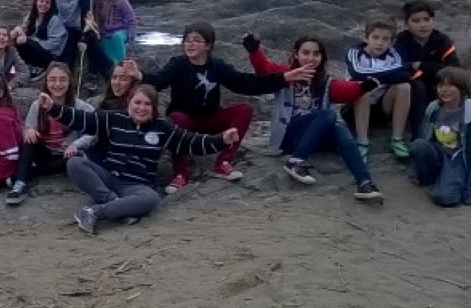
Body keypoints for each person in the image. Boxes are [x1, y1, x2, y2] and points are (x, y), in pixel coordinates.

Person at [40, 85, 238, 235]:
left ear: (153, 107)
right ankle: (116, 204)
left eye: (147, 104)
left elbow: (191, 142)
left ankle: (96, 212)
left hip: (136, 186)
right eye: (137, 102)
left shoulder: (163, 128)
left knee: (151, 198)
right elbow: (82, 118)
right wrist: (52, 108)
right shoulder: (113, 119)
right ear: (129, 104)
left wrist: (221, 140)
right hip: (108, 177)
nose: (141, 108)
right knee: (75, 162)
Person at [138, 22, 309, 193]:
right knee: (175, 118)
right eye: (187, 40)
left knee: (245, 109)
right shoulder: (178, 64)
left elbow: (245, 83)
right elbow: (159, 82)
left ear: (208, 45)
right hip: (186, 122)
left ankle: (222, 163)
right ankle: (180, 174)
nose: (190, 44)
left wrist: (284, 78)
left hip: (211, 119)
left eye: (196, 40)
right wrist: (139, 75)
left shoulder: (217, 66)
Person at [244, 34, 385, 201]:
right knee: (329, 115)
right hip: (288, 136)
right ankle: (296, 161)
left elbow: (345, 90)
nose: (311, 58)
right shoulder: (285, 74)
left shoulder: (325, 81)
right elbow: (264, 69)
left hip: (315, 136)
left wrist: (362, 87)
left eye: (316, 54)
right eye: (306, 53)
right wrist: (254, 51)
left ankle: (364, 183)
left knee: (339, 130)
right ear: (296, 54)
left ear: (322, 57)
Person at [6, 62, 95, 206]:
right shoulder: (38, 105)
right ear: (46, 82)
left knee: (77, 159)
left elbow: (94, 131)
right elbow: (28, 127)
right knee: (30, 140)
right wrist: (29, 130)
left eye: (62, 79)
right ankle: (20, 184)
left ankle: (27, 173)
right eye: (53, 79)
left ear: (69, 81)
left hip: (66, 156)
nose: (57, 84)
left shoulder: (80, 107)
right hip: (45, 153)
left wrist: (76, 144)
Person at [408, 67, 471, 207]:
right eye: (440, 86)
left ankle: (447, 182)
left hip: (457, 160)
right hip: (438, 155)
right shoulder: (433, 108)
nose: (444, 90)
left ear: (462, 88)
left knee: (445, 198)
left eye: (450, 85)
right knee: (418, 144)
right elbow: (425, 139)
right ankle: (435, 180)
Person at [345, 19, 413, 161]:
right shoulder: (355, 52)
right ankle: (362, 142)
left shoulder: (394, 54)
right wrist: (390, 75)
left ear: (391, 41)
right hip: (354, 108)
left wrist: (373, 75)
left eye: (385, 39)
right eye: (375, 37)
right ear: (366, 38)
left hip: (382, 106)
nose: (380, 42)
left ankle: (396, 139)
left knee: (404, 87)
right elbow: (357, 74)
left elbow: (405, 75)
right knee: (363, 87)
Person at [394, 0, 460, 139]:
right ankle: (419, 132)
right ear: (406, 25)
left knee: (454, 83)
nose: (422, 25)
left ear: (433, 21)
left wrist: (421, 65)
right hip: (414, 90)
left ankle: (455, 126)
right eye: (416, 21)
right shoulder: (401, 41)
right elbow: (399, 67)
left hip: (438, 84)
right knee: (418, 86)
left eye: (427, 19)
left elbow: (454, 69)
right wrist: (429, 70)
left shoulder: (441, 40)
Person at [50, 0, 112, 83]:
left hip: (83, 26)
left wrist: (83, 37)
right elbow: (53, 14)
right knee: (68, 46)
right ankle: (67, 77)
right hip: (64, 28)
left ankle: (96, 75)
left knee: (92, 41)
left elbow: (86, 13)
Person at [11, 0, 67, 79]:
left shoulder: (55, 20)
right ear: (36, 2)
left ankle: (39, 68)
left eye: (47, 2)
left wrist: (29, 40)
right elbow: (24, 29)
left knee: (25, 41)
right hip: (34, 49)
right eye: (41, 1)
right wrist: (16, 31)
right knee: (17, 41)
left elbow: (52, 45)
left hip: (50, 55)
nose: (43, 4)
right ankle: (18, 66)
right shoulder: (31, 16)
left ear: (51, 5)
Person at [93, 0, 137, 67]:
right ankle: (115, 68)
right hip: (105, 33)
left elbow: (131, 20)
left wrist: (131, 37)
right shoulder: (96, 2)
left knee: (116, 37)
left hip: (121, 31)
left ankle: (123, 64)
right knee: (104, 44)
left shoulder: (121, 1)